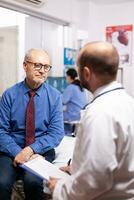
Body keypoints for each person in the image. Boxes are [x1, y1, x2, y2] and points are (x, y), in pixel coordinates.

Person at [47, 41, 134, 199]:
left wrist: (59, 188)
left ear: (86, 73)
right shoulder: (129, 103)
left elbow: (94, 182)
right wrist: (78, 167)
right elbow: (116, 158)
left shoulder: (100, 113)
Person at [0, 48, 64, 200]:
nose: (42, 71)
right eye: (37, 65)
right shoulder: (9, 95)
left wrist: (29, 150)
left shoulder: (54, 96)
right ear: (25, 66)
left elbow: (56, 133)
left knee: (33, 182)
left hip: (41, 150)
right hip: (11, 150)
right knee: (2, 182)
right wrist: (18, 152)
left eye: (46, 67)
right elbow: (1, 131)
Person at [63, 68, 87, 134]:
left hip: (73, 115)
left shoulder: (70, 87)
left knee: (56, 116)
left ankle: (66, 134)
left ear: (69, 77)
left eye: (66, 76)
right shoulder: (81, 87)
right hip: (81, 115)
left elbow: (63, 101)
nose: (66, 78)